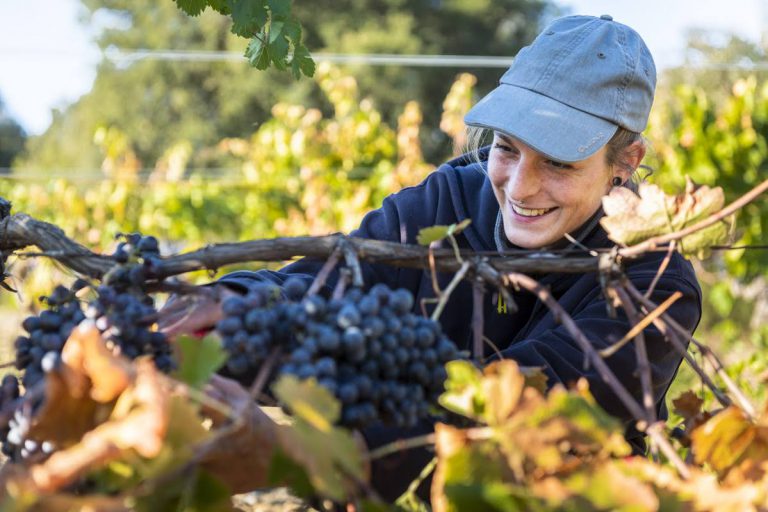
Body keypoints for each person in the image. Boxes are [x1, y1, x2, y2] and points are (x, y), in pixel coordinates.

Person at [160, 14, 702, 503]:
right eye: (507, 147)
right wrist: (229, 308)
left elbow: (507, 422)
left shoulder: (652, 283)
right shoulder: (448, 200)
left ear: (625, 163)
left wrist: (293, 454)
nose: (519, 185)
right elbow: (328, 284)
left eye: (558, 162)